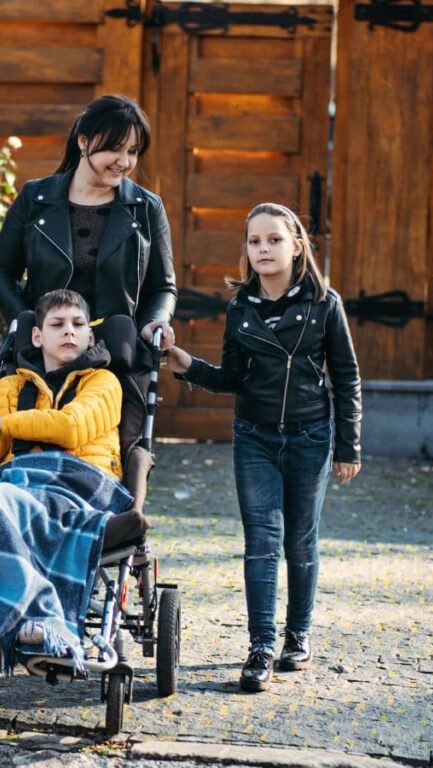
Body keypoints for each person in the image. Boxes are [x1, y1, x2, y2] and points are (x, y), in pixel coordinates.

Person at [163, 203, 362, 692]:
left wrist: (348, 447)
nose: (263, 249)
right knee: (261, 542)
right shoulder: (241, 308)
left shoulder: (324, 304)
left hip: (311, 437)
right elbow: (232, 378)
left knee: (300, 541)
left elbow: (347, 378)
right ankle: (259, 648)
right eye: (254, 242)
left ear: (297, 245)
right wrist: (187, 364)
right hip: (254, 437)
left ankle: (299, 635)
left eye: (274, 239)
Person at [0, 290, 146, 671]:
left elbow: (71, 427)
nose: (69, 332)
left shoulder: (103, 383)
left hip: (78, 484)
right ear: (37, 336)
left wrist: (2, 423)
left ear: (89, 336)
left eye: (78, 325)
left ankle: (42, 618)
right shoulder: (11, 388)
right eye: (57, 324)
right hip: (14, 481)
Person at [0, 95, 177, 487]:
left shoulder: (145, 208)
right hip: (43, 354)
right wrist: (28, 321)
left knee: (103, 450)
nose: (123, 161)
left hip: (115, 355)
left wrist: (154, 323)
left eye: (133, 151)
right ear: (84, 141)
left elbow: (163, 285)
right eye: (114, 148)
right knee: (28, 442)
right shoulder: (36, 199)